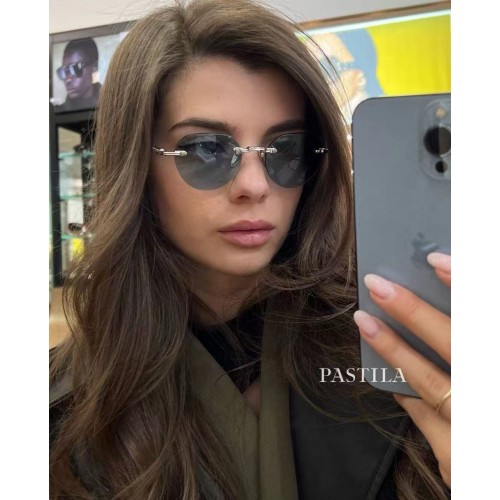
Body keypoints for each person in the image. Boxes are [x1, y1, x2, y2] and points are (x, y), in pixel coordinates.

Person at [49, 1, 451, 498]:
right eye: (206, 149)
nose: (255, 185)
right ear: (137, 167)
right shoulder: (61, 407)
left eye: (285, 149)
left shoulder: (389, 350)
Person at [54, 37, 101, 112]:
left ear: (94, 66)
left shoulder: (113, 103)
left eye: (75, 69)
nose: (68, 80)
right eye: (64, 71)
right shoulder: (57, 112)